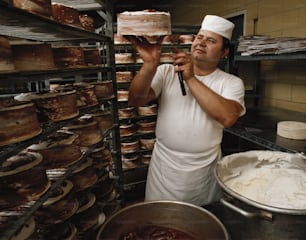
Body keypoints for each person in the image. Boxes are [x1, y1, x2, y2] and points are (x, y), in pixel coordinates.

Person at [126, 15, 246, 206]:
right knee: (159, 219)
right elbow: (135, 100)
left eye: (211, 40)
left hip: (203, 170)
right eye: (199, 37)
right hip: (164, 167)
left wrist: (191, 78)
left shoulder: (230, 82)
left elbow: (228, 117)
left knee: (198, 224)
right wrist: (149, 65)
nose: (201, 43)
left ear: (223, 52)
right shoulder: (166, 72)